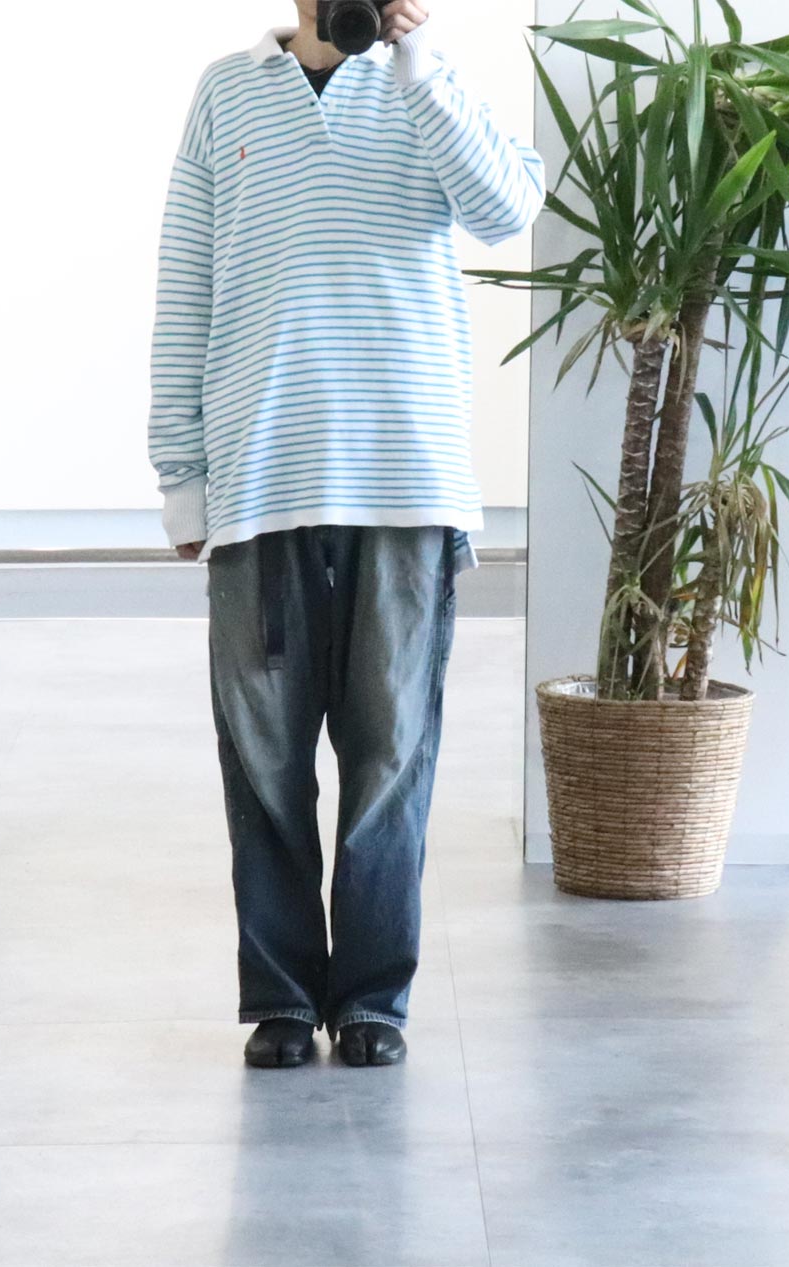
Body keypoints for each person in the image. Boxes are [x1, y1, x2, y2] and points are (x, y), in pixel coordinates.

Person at [147, 0, 545, 1069]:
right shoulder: (226, 92)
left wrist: (419, 59)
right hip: (259, 480)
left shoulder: (430, 84)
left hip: (407, 481)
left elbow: (507, 209)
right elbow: (185, 283)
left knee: (390, 751)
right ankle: (280, 997)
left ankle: (373, 998)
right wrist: (180, 473)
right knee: (263, 757)